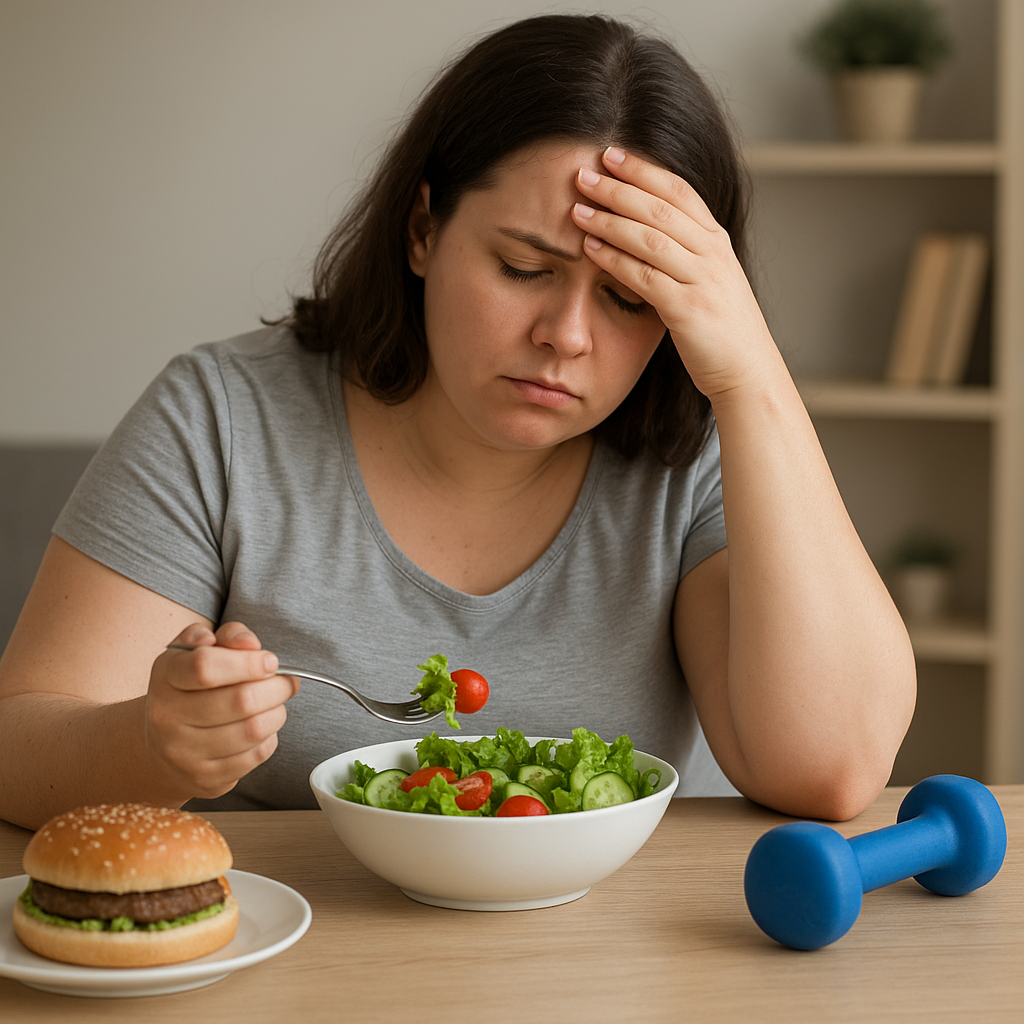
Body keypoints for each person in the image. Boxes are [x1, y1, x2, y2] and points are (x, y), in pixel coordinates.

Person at [0, 14, 915, 830]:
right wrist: (152, 746)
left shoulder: (700, 453)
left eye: (631, 299)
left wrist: (753, 379)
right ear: (423, 228)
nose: (565, 337)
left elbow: (829, 771)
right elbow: (18, 747)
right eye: (524, 267)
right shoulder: (222, 417)